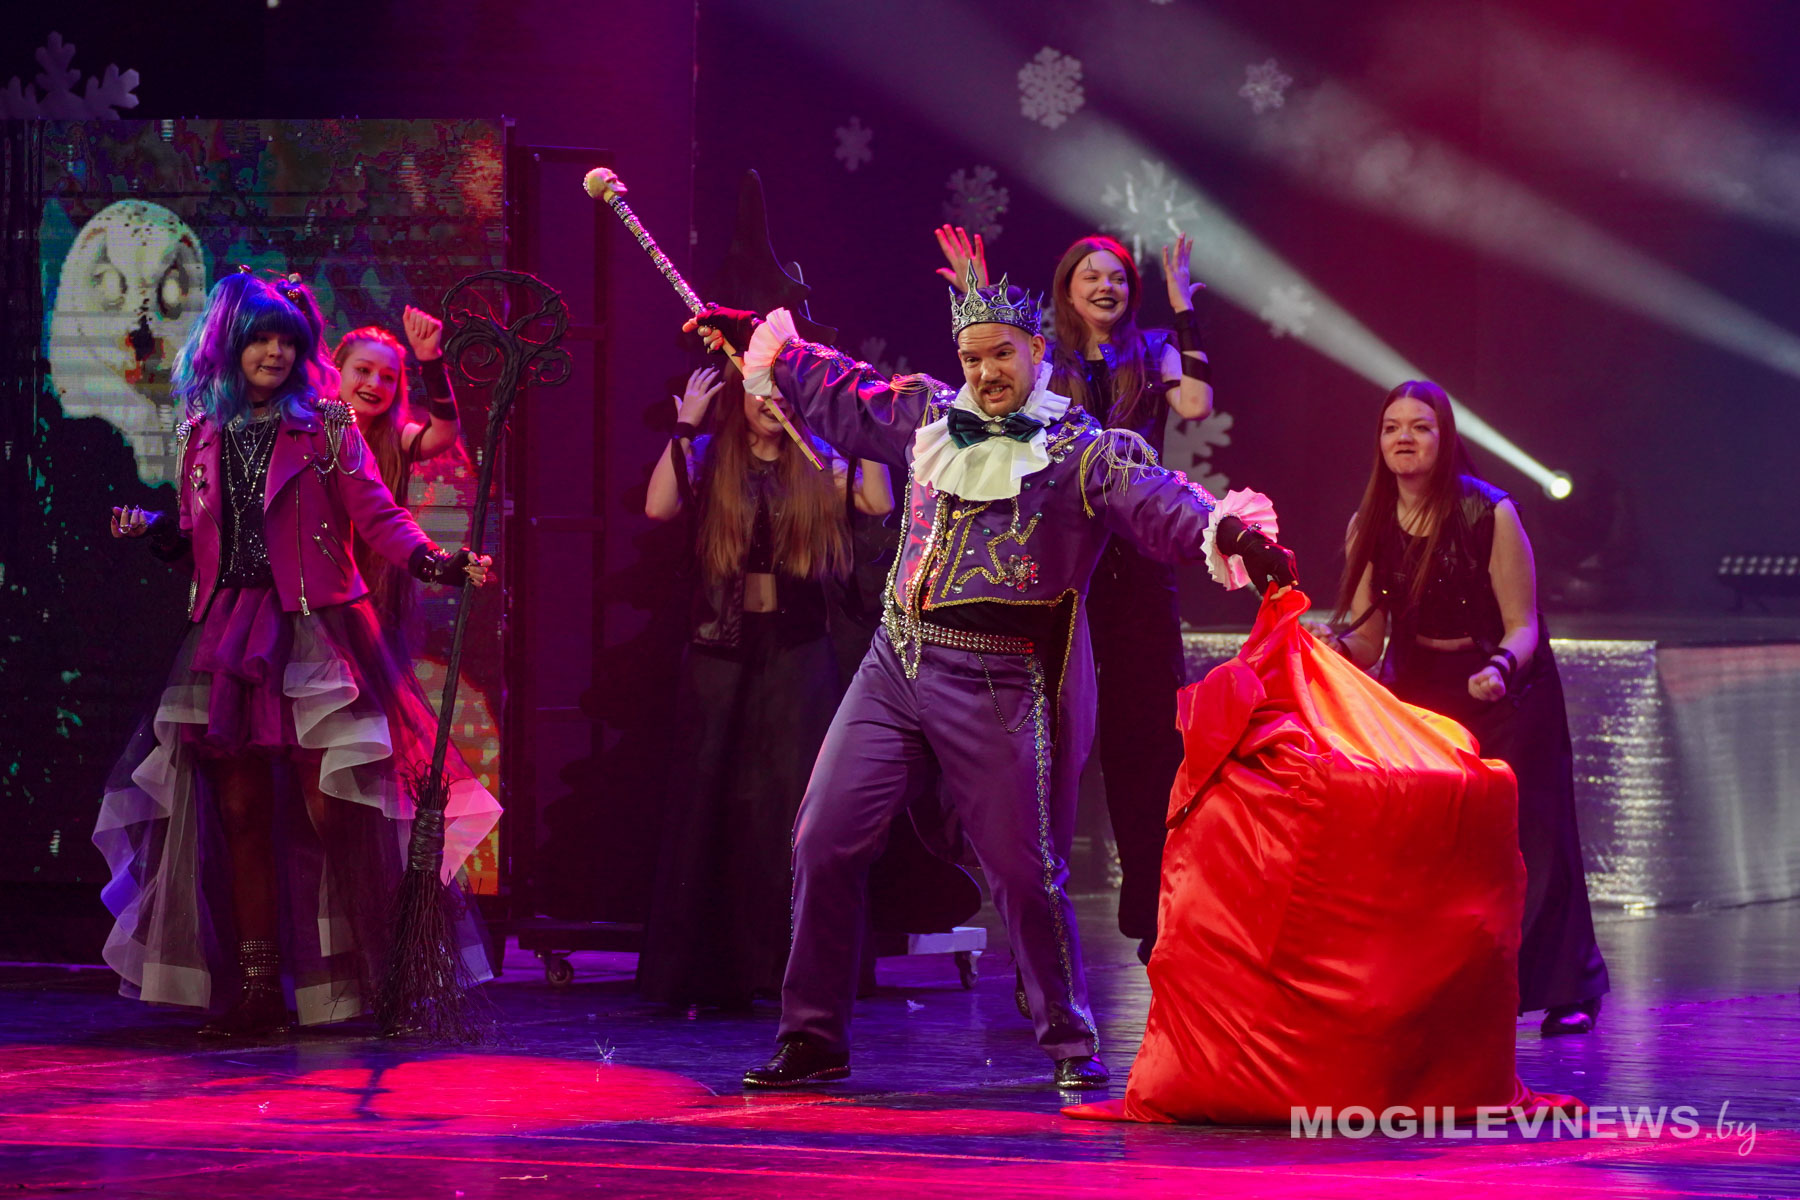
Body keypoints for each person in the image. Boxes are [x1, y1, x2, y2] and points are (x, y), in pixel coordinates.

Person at [684, 266, 1295, 1090]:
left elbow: (1159, 499)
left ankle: (1069, 1039)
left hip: (996, 683)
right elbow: (840, 389)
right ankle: (814, 1037)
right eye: (972, 358)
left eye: (1001, 355)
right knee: (821, 838)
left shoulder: (1081, 449)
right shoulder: (930, 415)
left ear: (1037, 351)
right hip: (895, 663)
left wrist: (1232, 532)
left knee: (1023, 872)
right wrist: (758, 338)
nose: (985, 373)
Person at [98, 273, 499, 1037]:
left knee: (332, 812)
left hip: (316, 630)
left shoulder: (328, 424)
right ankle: (256, 993)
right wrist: (156, 530)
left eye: (287, 340)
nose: (275, 352)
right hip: (228, 633)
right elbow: (197, 531)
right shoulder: (199, 430)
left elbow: (377, 513)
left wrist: (435, 562)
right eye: (260, 338)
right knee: (241, 812)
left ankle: (371, 976)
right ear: (229, 344)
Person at [937, 226, 1212, 961]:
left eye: (1117, 276)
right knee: (1046, 743)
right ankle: (1038, 911)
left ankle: (1154, 911)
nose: (1105, 286)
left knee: (1145, 745)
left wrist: (1183, 308)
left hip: (1139, 570)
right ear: (1066, 288)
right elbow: (991, 396)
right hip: (1061, 568)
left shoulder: (1153, 351)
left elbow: (1193, 404)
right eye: (1091, 275)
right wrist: (976, 296)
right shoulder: (1044, 359)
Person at [1319, 380, 1609, 1036]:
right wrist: (1333, 647)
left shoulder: (1490, 512)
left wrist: (1499, 670)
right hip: (1423, 688)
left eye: (1420, 426)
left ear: (1444, 438)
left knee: (1532, 835)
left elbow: (1522, 625)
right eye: (1392, 427)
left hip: (1506, 685)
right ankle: (1443, 982)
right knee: (1429, 838)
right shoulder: (1369, 523)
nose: (1404, 437)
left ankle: (1567, 987)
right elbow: (1367, 639)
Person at [637, 363, 893, 1009]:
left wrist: (862, 426)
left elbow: (878, 502)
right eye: (759, 389)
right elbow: (658, 506)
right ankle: (702, 972)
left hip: (796, 649)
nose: (770, 401)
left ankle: (791, 969)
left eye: (782, 389)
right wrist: (684, 424)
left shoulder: (818, 459)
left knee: (793, 806)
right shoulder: (708, 456)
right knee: (709, 804)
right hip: (718, 650)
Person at [333, 308, 464, 649]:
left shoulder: (396, 437)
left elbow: (444, 434)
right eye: (363, 370)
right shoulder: (308, 432)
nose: (375, 384)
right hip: (318, 584)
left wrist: (430, 359)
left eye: (388, 377)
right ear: (336, 371)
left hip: (374, 593)